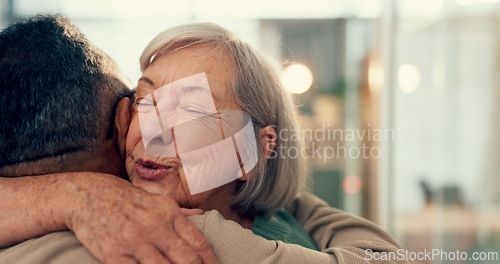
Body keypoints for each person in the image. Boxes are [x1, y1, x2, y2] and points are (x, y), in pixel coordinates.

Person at [0, 15, 412, 264]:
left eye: (193, 109)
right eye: (145, 101)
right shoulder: (94, 230)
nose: (154, 130)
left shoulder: (282, 226)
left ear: (253, 150)